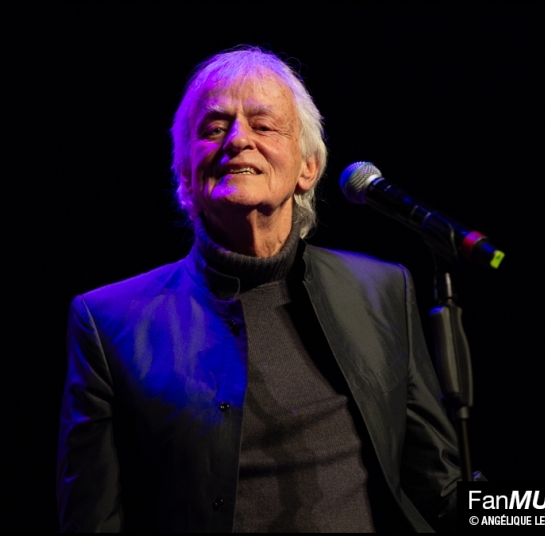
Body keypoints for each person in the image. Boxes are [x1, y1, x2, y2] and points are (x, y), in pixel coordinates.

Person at [57, 46, 461, 532]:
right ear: (185, 172)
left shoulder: (381, 291)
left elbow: (441, 489)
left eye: (264, 125)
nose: (237, 140)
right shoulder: (108, 322)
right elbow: (90, 521)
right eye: (213, 128)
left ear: (308, 167)